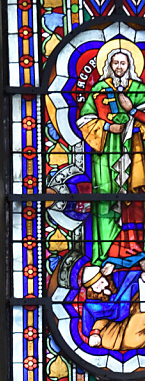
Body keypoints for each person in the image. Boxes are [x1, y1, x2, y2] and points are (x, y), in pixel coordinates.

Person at [77, 44, 145, 266]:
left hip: (135, 152)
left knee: (135, 201)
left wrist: (132, 113)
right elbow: (84, 121)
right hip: (105, 156)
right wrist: (107, 128)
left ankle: (134, 249)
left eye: (123, 63)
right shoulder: (98, 88)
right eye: (115, 63)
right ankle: (106, 253)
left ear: (130, 65)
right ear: (108, 65)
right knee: (106, 199)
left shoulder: (139, 89)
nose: (118, 67)